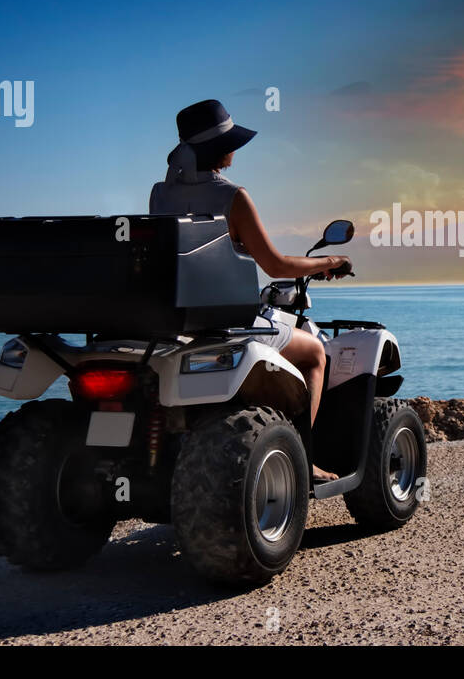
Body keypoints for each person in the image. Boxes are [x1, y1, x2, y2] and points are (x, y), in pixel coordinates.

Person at [149, 100, 349, 481]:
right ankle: (302, 459)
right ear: (216, 150)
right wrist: (330, 262)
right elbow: (276, 266)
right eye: (230, 142)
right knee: (314, 354)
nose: (235, 150)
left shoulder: (159, 194)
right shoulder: (233, 197)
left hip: (177, 319)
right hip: (228, 319)